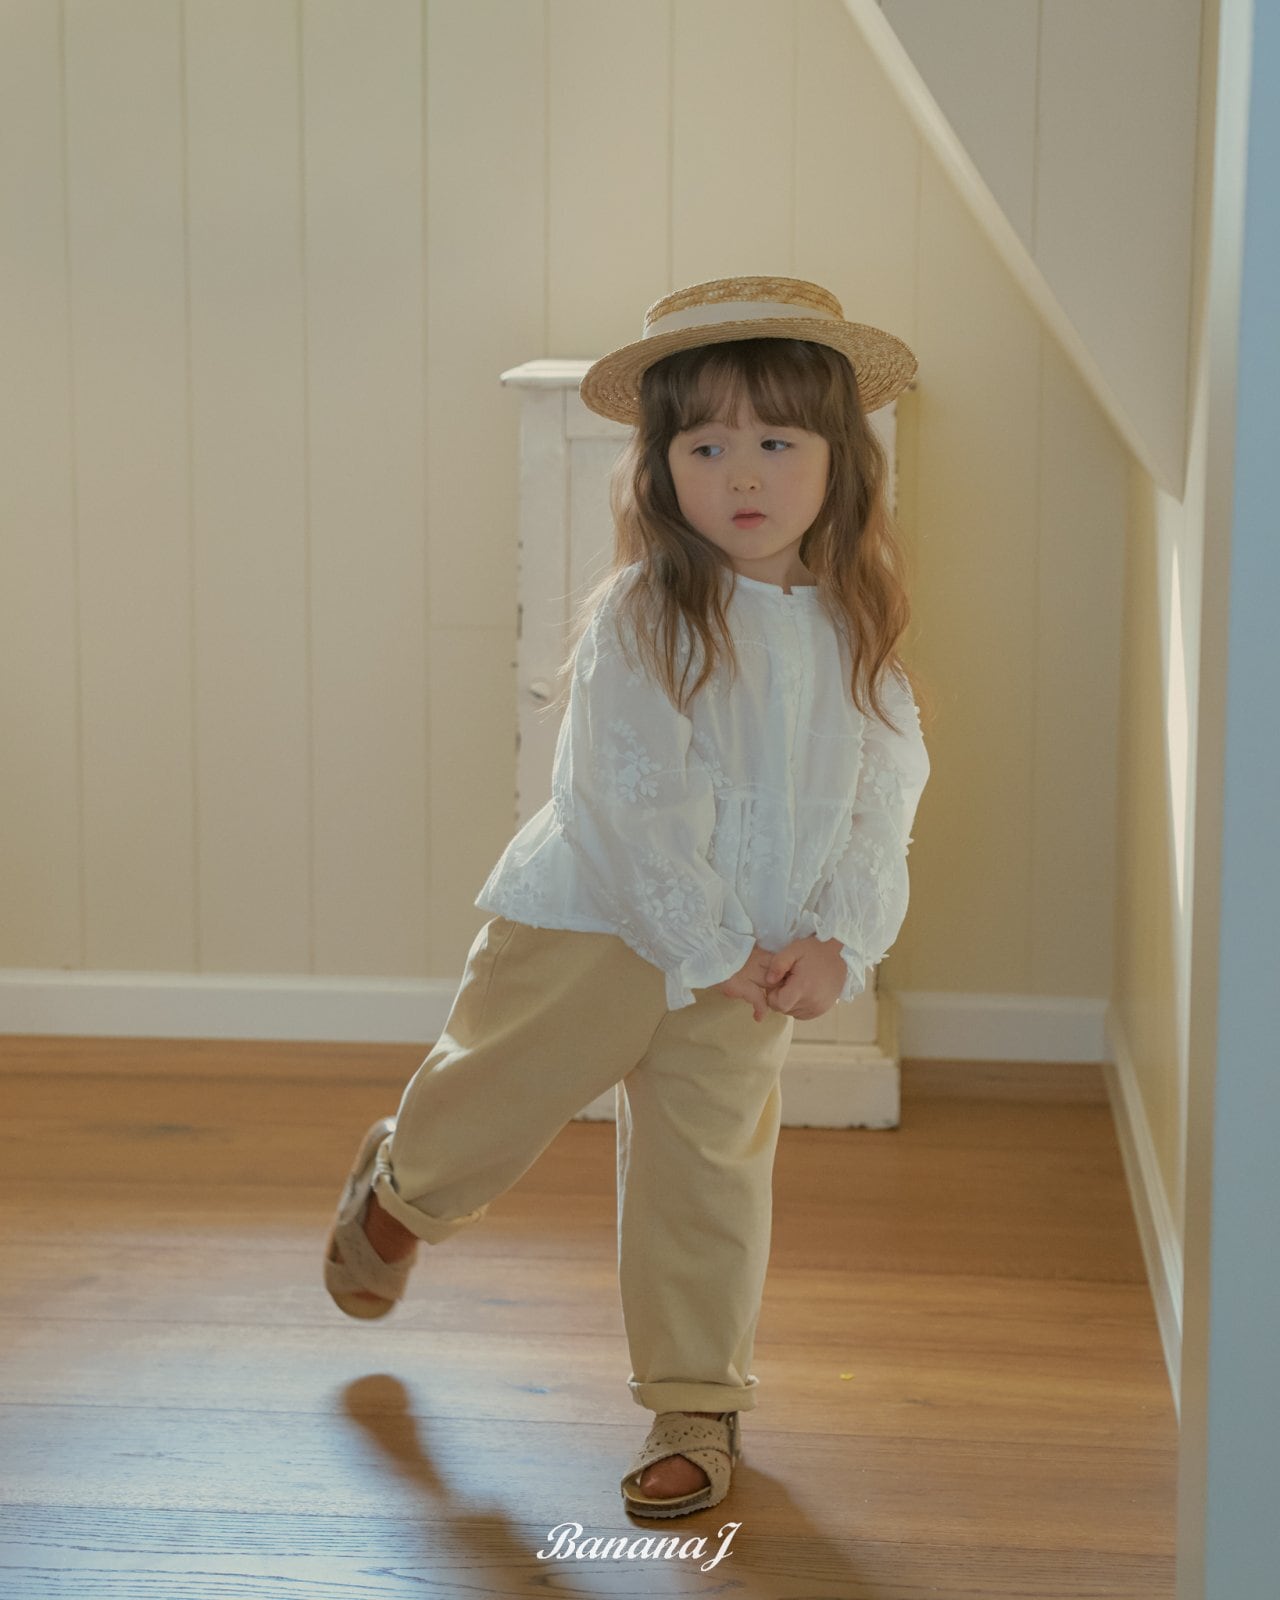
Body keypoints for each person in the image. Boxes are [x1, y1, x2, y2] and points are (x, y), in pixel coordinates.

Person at [323, 274, 931, 1520]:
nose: (741, 473)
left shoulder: (855, 629)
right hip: (592, 931)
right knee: (489, 1103)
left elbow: (883, 792)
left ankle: (695, 1396)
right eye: (704, 446)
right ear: (659, 469)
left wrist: (838, 936)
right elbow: (623, 799)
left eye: (776, 442)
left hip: (755, 961)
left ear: (839, 461)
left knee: (707, 1174)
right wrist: (701, 936)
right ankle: (400, 1191)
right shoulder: (645, 615)